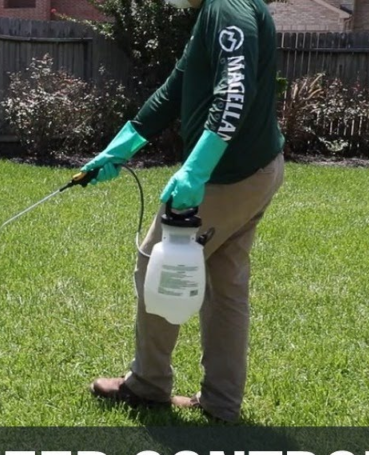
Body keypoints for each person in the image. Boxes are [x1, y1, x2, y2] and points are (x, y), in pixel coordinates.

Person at [83, 0, 285, 422]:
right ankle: (221, 403)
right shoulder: (214, 13)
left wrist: (195, 171)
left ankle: (148, 384)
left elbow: (233, 96)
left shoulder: (228, 8)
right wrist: (121, 147)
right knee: (226, 284)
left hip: (226, 179)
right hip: (258, 170)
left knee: (155, 263)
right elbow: (175, 88)